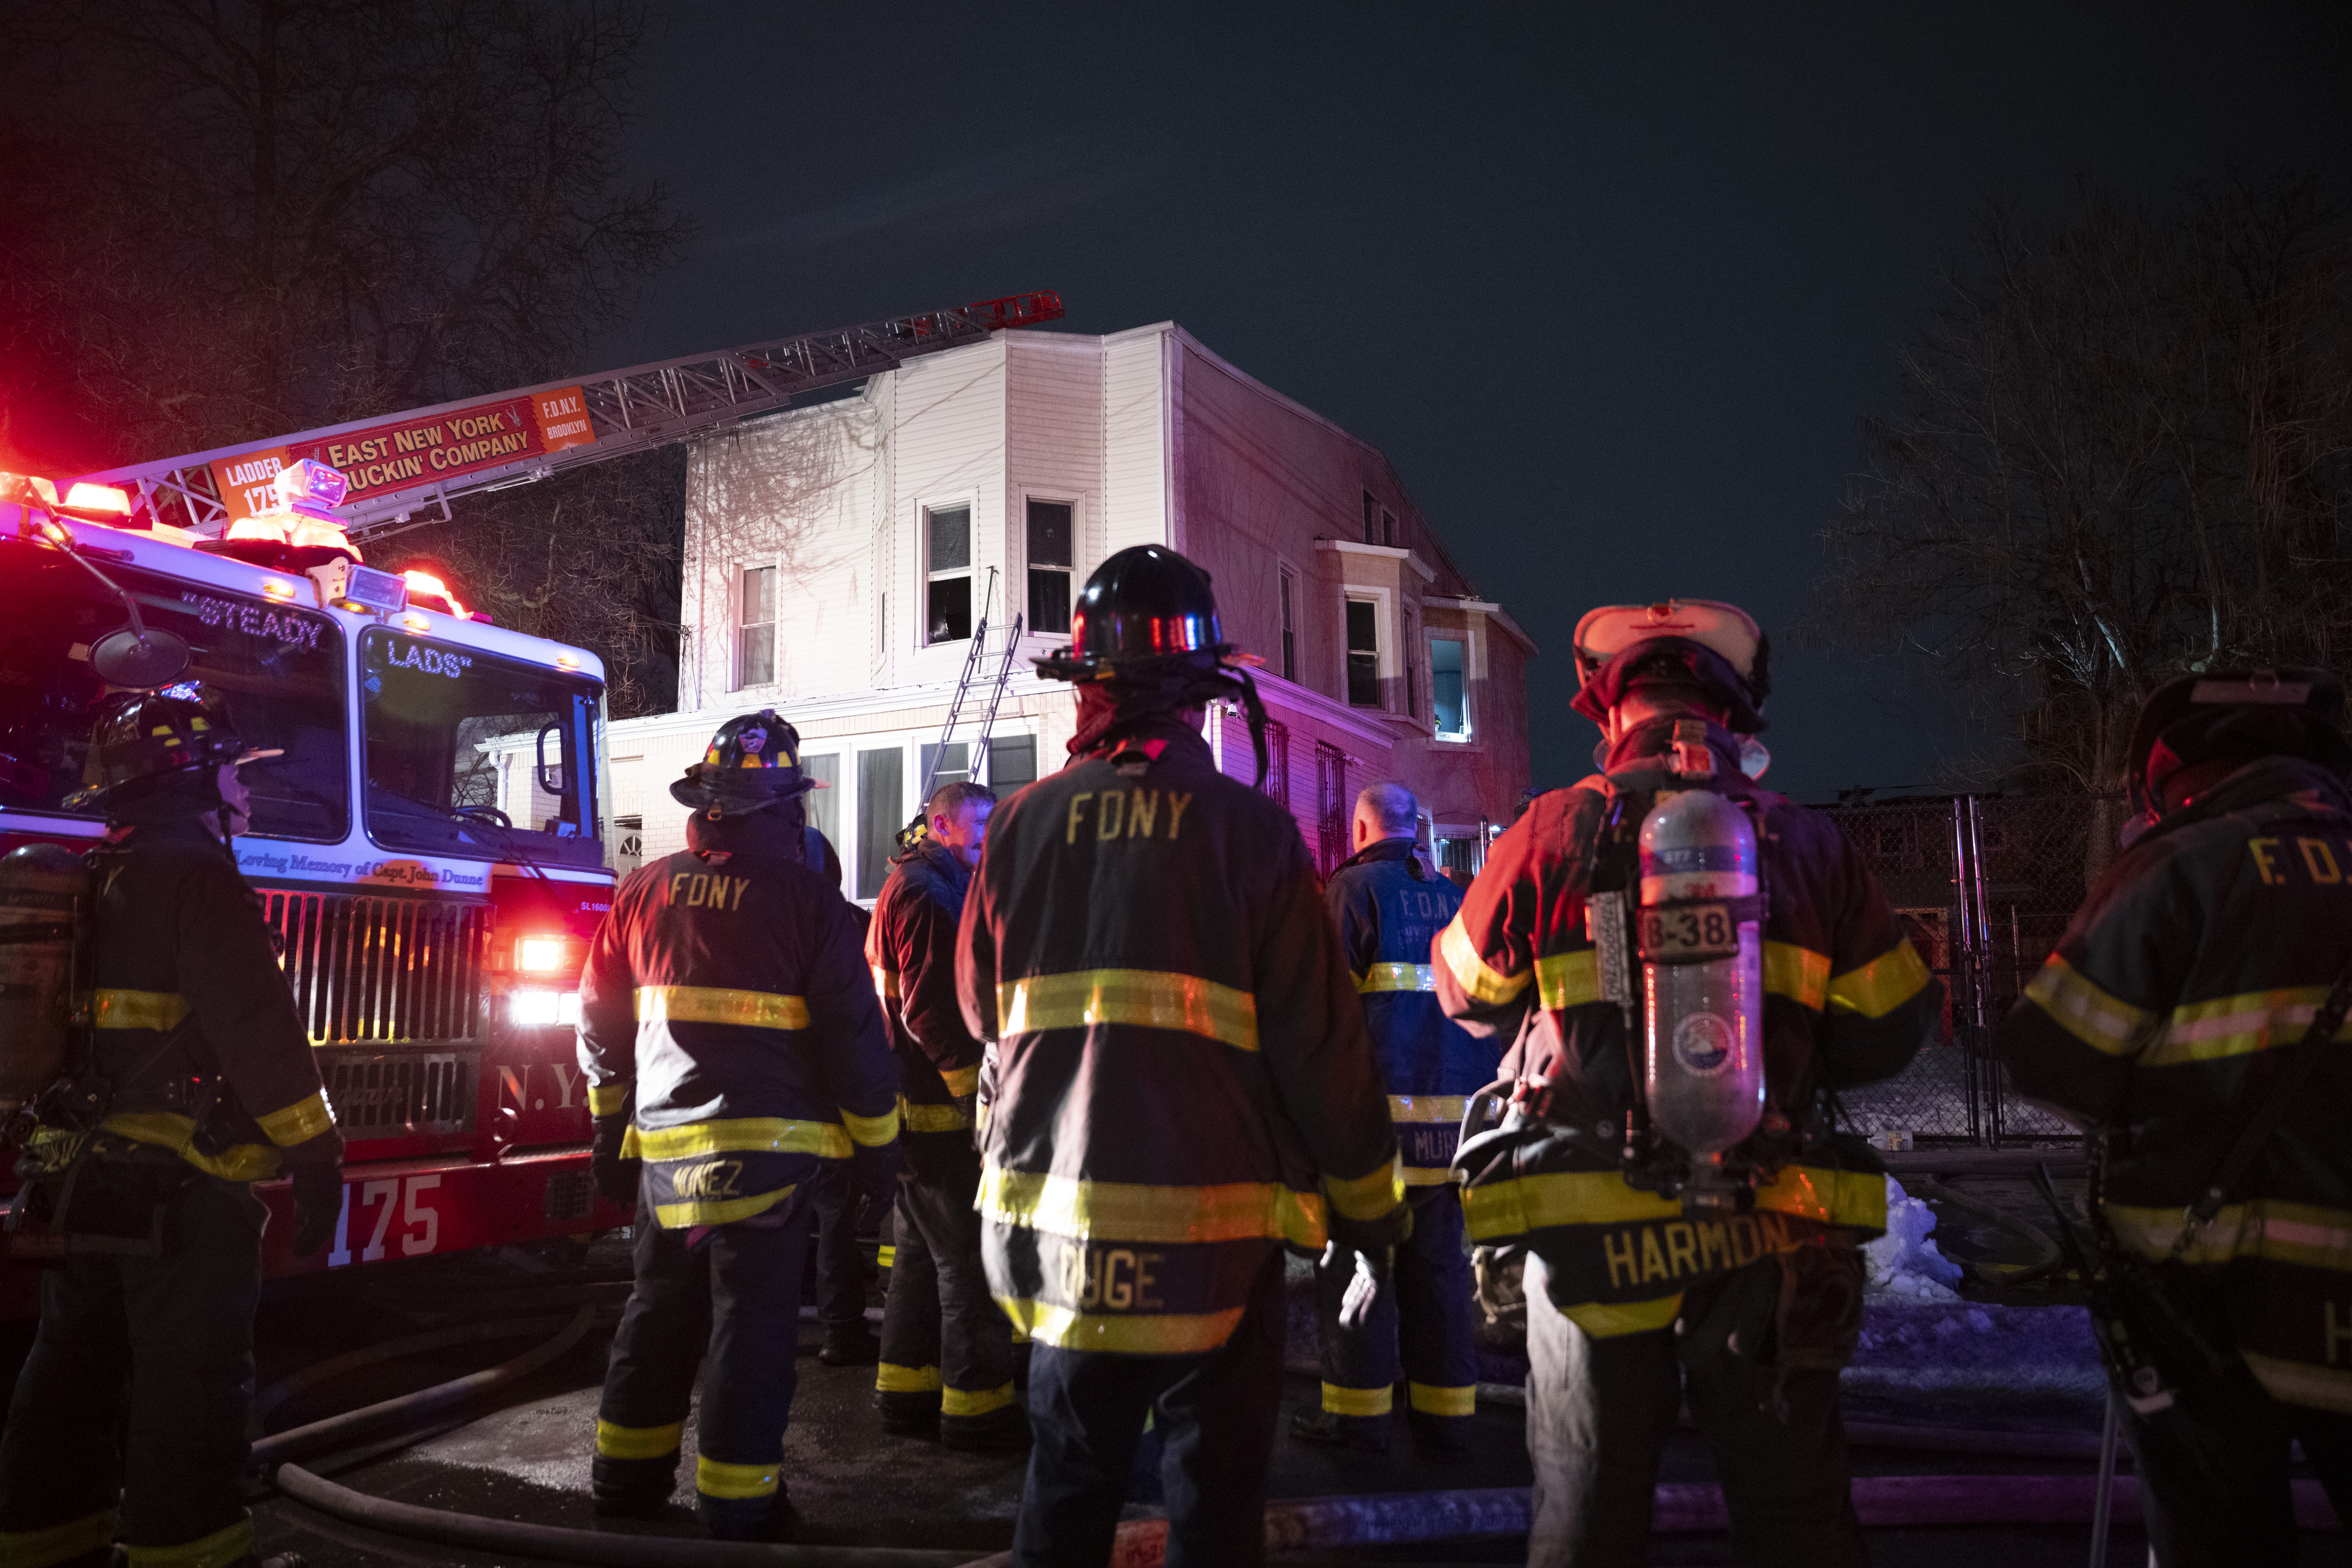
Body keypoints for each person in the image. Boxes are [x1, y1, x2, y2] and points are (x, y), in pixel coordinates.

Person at [1436, 599, 1941, 1568]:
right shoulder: (1808, 843)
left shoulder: (1552, 828)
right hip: (1768, 1230)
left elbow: (1468, 992)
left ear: (1610, 712)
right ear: (1736, 715)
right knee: (1795, 1514)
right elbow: (1888, 1038)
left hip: (1592, 1244)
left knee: (1588, 1514)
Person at [957, 544, 1408, 1568]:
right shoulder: (1253, 832)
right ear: (1207, 697)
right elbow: (1320, 1049)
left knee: (1066, 1492)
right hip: (1219, 1245)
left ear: (1088, 689)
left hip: (1061, 1242)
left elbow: (978, 1011)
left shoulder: (1020, 827)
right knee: (1215, 1502)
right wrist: (1371, 1211)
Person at [1992, 667, 2352, 1567]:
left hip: (2208, 1294)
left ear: (2173, 778)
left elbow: (2049, 1056)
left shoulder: (2177, 867)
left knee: (2220, 1540)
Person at [0, 686, 343, 1568]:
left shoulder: (90, 878)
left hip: (76, 1175)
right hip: (183, 1190)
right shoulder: (198, 879)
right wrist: (316, 1153)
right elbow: (258, 1031)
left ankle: (44, 1540)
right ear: (192, 779)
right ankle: (188, 1550)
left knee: (70, 1369)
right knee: (189, 1383)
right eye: (231, 771)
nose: (243, 790)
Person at [578, 710, 900, 1542]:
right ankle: (738, 1501)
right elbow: (853, 1039)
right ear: (787, 812)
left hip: (663, 1155)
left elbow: (599, 1026)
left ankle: (624, 1477)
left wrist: (606, 1133)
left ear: (709, 803)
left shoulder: (643, 890)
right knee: (750, 1327)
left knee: (656, 1310)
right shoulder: (810, 902)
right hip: (771, 1163)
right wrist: (877, 1152)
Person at [1291, 782, 1500, 1457]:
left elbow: (1322, 1019)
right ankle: (1447, 1418)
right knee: (1438, 1271)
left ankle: (1358, 1422)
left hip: (1374, 1132)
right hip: (1454, 1127)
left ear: (1358, 829)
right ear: (1417, 829)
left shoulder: (1352, 892)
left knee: (1359, 1269)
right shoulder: (1455, 895)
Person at [867, 780, 1024, 1447]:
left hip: (908, 1107)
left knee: (917, 1256)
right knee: (966, 1258)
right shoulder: (929, 895)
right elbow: (930, 1009)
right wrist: (971, 1098)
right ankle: (976, 1410)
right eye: (980, 825)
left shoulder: (920, 883)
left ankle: (906, 1396)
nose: (988, 837)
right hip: (935, 1109)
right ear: (941, 825)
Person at [799, 825, 883, 1369]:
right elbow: (864, 1021)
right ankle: (841, 1330)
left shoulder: (757, 920)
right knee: (836, 1214)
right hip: (832, 1097)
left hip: (765, 1098)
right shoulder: (850, 923)